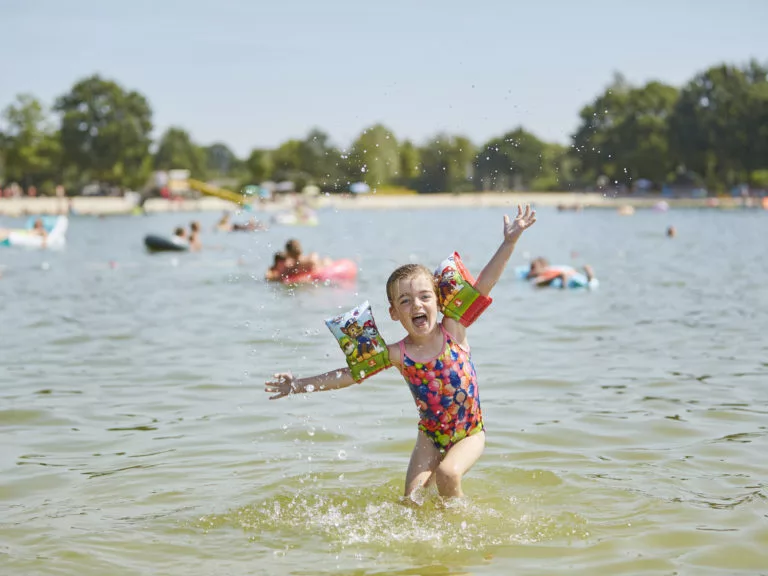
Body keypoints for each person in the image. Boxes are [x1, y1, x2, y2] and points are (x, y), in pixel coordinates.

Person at [264, 205, 537, 502]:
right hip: (430, 437)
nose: (417, 306)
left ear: (438, 301)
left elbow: (485, 283)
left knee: (448, 475)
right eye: (405, 301)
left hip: (471, 431)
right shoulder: (398, 354)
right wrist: (297, 385)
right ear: (394, 313)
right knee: (412, 500)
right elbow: (347, 376)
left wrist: (509, 242)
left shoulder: (453, 329)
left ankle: (463, 530)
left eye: (424, 297)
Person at [526, 257, 594, 289]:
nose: (531, 271)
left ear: (543, 266)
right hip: (568, 273)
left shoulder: (547, 272)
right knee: (583, 282)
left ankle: (589, 277)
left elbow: (538, 283)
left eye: (533, 268)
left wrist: (559, 276)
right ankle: (589, 277)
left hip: (566, 275)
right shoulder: (551, 269)